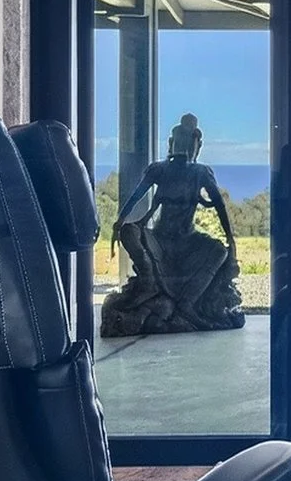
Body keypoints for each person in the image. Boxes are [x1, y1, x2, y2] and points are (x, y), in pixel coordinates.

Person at [99, 113, 246, 335]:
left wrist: (231, 239)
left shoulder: (200, 172)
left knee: (218, 251)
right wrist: (120, 221)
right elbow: (136, 196)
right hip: (160, 238)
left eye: (190, 142)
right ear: (171, 143)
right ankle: (148, 280)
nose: (184, 148)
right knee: (129, 230)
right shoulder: (159, 170)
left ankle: (188, 303)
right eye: (179, 141)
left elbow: (219, 205)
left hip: (187, 239)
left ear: (197, 145)